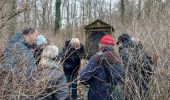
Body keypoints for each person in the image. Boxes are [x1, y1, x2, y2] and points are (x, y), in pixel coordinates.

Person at [79, 34, 125, 100]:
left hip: (97, 95)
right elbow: (122, 77)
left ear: (101, 46)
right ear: (113, 46)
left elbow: (83, 77)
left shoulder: (97, 58)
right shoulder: (118, 59)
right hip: (114, 96)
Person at [116, 33, 153, 99]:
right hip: (144, 83)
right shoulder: (138, 49)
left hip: (134, 84)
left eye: (119, 43)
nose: (119, 45)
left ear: (122, 41)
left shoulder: (125, 51)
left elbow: (128, 69)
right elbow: (150, 64)